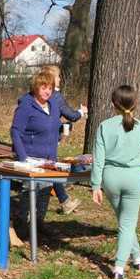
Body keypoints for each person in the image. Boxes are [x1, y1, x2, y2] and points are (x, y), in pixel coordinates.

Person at [91, 85, 140, 279]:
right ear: (136, 103)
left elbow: (98, 159)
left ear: (112, 104)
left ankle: (138, 258)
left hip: (110, 178)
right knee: (127, 223)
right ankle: (118, 268)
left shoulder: (104, 126)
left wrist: (95, 185)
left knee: (125, 222)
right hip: (134, 177)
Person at [10, 71, 66, 238]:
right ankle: (22, 224)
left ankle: (39, 222)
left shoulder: (53, 106)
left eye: (50, 88)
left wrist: (62, 131)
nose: (47, 91)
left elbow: (55, 125)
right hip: (31, 158)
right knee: (30, 191)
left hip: (50, 158)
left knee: (45, 191)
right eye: (44, 87)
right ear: (36, 87)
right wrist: (23, 158)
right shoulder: (26, 106)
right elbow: (15, 131)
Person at [42, 65, 88, 214]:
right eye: (58, 76)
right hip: (49, 139)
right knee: (52, 168)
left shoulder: (36, 94)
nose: (60, 79)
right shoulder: (56, 96)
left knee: (50, 168)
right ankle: (64, 202)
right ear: (52, 78)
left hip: (37, 137)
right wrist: (82, 111)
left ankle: (64, 200)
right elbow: (72, 116)